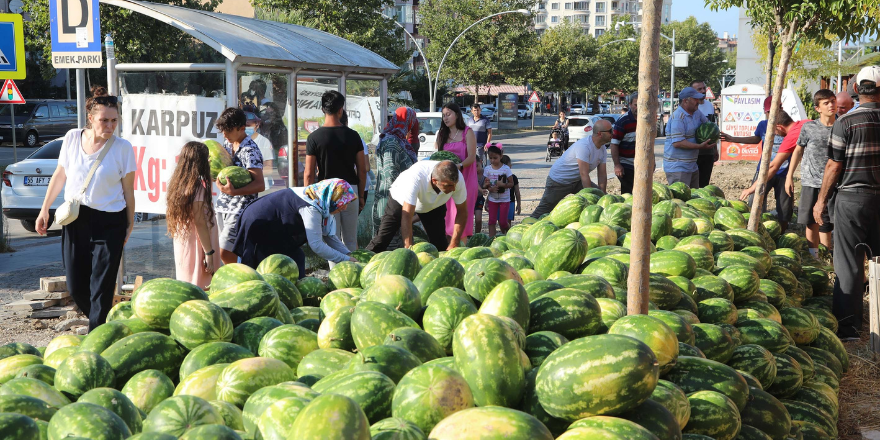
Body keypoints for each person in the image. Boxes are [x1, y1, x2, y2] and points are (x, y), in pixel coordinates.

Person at [35, 86, 136, 331]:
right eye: (104, 120)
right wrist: (44, 209)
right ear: (91, 118)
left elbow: (129, 191)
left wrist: (129, 223)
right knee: (76, 284)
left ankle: (97, 335)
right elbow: (60, 174)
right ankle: (108, 326)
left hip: (111, 221)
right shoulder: (71, 138)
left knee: (101, 286)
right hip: (75, 218)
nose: (110, 126)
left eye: (114, 120)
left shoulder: (123, 148)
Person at [814, 65, 880, 341]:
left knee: (849, 264)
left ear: (855, 90)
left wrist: (821, 201)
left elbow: (833, 166)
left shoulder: (846, 122)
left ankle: (849, 330)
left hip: (852, 199)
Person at [233, 179, 359, 277]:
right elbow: (317, 245)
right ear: (333, 197)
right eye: (343, 203)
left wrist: (350, 255)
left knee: (296, 257)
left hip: (278, 229)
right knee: (258, 271)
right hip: (261, 224)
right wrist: (346, 259)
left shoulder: (322, 202)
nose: (345, 208)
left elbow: (330, 237)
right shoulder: (311, 206)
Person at [304, 90, 367, 255]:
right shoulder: (353, 136)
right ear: (341, 110)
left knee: (332, 239)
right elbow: (362, 169)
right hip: (349, 190)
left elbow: (309, 174)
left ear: (323, 110)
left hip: (326, 193)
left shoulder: (314, 138)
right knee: (351, 240)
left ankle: (335, 275)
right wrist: (360, 195)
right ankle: (354, 274)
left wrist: (309, 200)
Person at [366, 160, 468, 252]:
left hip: (434, 206)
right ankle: (363, 261)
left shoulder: (456, 179)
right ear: (434, 181)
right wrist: (409, 249)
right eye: (448, 186)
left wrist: (454, 242)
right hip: (400, 200)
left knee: (440, 244)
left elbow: (462, 211)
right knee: (383, 238)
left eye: (454, 184)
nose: (454, 189)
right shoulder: (416, 178)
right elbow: (407, 215)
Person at [785, 89, 837, 255]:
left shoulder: (842, 126)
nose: (831, 105)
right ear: (818, 108)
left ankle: (827, 254)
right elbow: (798, 151)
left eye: (832, 101)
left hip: (834, 182)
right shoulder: (809, 127)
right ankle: (814, 257)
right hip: (810, 181)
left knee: (827, 223)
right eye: (826, 103)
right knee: (811, 221)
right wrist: (789, 176)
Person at [166, 141, 222, 289]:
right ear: (199, 161)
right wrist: (209, 253)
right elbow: (200, 222)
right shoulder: (197, 187)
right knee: (201, 289)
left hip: (185, 244)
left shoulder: (180, 184)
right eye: (206, 158)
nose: (209, 161)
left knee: (187, 287)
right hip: (199, 246)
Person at [531, 119, 613, 218]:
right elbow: (584, 174)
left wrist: (602, 196)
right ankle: (526, 227)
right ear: (600, 134)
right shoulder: (584, 146)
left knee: (599, 198)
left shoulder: (602, 148)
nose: (613, 133)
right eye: (610, 131)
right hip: (559, 181)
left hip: (577, 181)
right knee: (544, 210)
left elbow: (602, 175)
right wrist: (590, 199)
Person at [214, 107, 265, 264]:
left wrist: (235, 192)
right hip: (222, 206)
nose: (225, 134)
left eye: (228, 130)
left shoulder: (250, 151)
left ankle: (240, 281)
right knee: (224, 251)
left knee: (225, 252)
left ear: (242, 128)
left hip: (240, 209)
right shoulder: (227, 144)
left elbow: (259, 184)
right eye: (223, 130)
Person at [737, 110, 801, 232]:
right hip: (766, 172)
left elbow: (774, 166)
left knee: (785, 208)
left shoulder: (792, 135)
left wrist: (751, 188)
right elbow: (798, 153)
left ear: (779, 127)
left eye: (775, 131)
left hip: (780, 173)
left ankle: (781, 233)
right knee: (755, 204)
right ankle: (753, 230)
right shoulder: (801, 126)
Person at [371, 107, 418, 239]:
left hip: (397, 202)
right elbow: (390, 175)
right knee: (387, 250)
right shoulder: (391, 142)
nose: (412, 126)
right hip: (389, 205)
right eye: (412, 121)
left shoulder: (399, 140)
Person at [436, 103, 478, 245]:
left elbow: (472, 157)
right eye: (443, 115)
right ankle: (449, 248)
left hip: (466, 180)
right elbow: (438, 157)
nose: (445, 118)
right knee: (448, 216)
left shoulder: (468, 132)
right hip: (448, 181)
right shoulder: (441, 134)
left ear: (457, 115)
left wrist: (458, 166)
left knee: (462, 215)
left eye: (448, 114)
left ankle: (461, 250)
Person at [663, 87, 714, 187]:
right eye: (695, 99)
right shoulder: (678, 117)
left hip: (692, 166)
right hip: (678, 167)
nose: (698, 102)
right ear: (686, 101)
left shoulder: (697, 113)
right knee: (681, 200)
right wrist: (700, 146)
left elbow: (708, 125)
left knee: (693, 198)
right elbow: (678, 142)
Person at [692, 80, 720, 188]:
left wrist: (715, 149)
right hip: (694, 151)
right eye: (699, 89)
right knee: (694, 184)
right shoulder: (691, 107)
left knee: (704, 182)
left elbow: (713, 128)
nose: (703, 91)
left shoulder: (709, 106)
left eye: (704, 88)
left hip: (708, 152)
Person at [482, 145, 514, 237]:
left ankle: (510, 234)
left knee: (503, 222)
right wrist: (489, 188)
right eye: (490, 158)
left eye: (495, 158)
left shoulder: (506, 169)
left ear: (501, 156)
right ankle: (492, 240)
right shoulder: (487, 169)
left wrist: (503, 185)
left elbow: (511, 183)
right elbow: (485, 184)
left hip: (505, 199)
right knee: (491, 221)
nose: (492, 160)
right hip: (493, 199)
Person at [610, 92, 639, 194]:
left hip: (641, 165)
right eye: (636, 105)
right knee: (629, 194)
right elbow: (614, 144)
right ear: (630, 105)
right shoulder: (623, 121)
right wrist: (617, 165)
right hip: (626, 165)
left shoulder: (647, 119)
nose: (638, 108)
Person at [246, 111, 274, 188]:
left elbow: (269, 169)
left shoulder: (264, 142)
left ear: (257, 125)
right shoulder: (238, 142)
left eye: (249, 125)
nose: (245, 128)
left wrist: (248, 174)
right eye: (243, 126)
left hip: (261, 188)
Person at [501, 155, 521, 223]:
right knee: (501, 220)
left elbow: (517, 192)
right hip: (499, 202)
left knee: (508, 220)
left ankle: (507, 232)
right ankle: (503, 232)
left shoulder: (513, 178)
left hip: (510, 202)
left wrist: (518, 204)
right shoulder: (498, 178)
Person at [474, 160, 486, 234]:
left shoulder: (485, 173)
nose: (476, 169)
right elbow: (475, 183)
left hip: (479, 198)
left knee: (478, 220)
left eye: (477, 165)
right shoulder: (471, 173)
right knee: (468, 219)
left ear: (481, 162)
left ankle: (477, 234)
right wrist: (481, 189)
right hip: (470, 198)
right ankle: (469, 235)